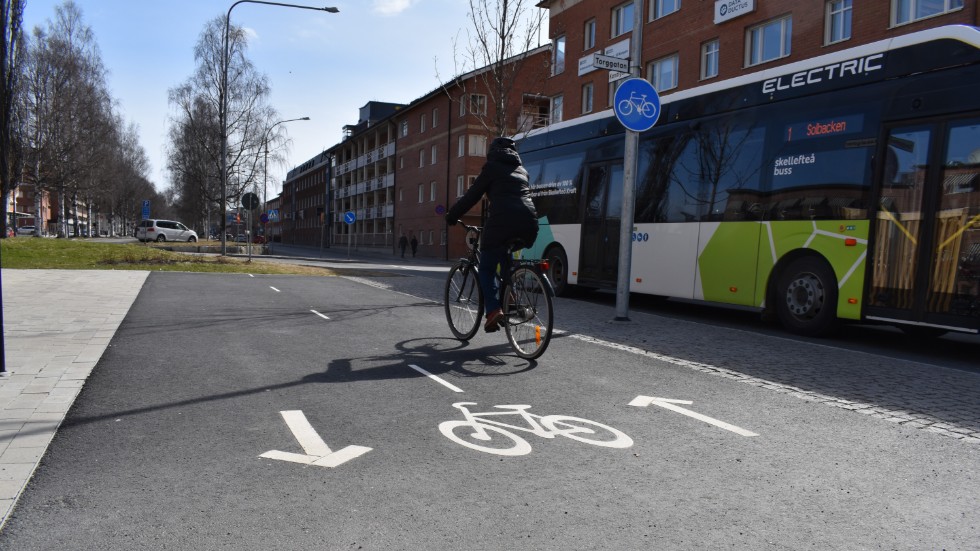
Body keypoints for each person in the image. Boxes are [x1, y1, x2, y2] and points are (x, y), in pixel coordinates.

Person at [445, 137, 538, 333]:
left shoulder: (491, 168)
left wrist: (453, 215)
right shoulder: (523, 171)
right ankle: (510, 298)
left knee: (486, 269)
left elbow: (473, 195)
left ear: (492, 152)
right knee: (504, 257)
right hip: (529, 223)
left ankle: (494, 311)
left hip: (502, 222)